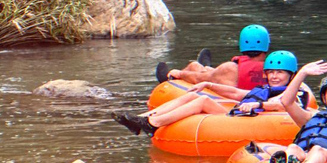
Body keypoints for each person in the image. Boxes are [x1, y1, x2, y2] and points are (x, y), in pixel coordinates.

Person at [114, 51, 311, 136]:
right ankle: (142, 120)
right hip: (239, 117)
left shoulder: (293, 92)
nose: (275, 76)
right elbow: (236, 92)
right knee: (195, 95)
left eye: (280, 73)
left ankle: (153, 125)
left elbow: (280, 104)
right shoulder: (266, 89)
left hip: (249, 122)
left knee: (201, 101)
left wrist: (258, 105)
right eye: (271, 72)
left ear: (291, 74)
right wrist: (209, 83)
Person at [156, 24, 270, 88]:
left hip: (225, 89)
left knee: (194, 66)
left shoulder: (231, 68)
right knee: (207, 70)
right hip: (237, 90)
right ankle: (206, 66)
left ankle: (168, 79)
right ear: (267, 45)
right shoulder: (274, 69)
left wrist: (179, 73)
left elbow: (198, 79)